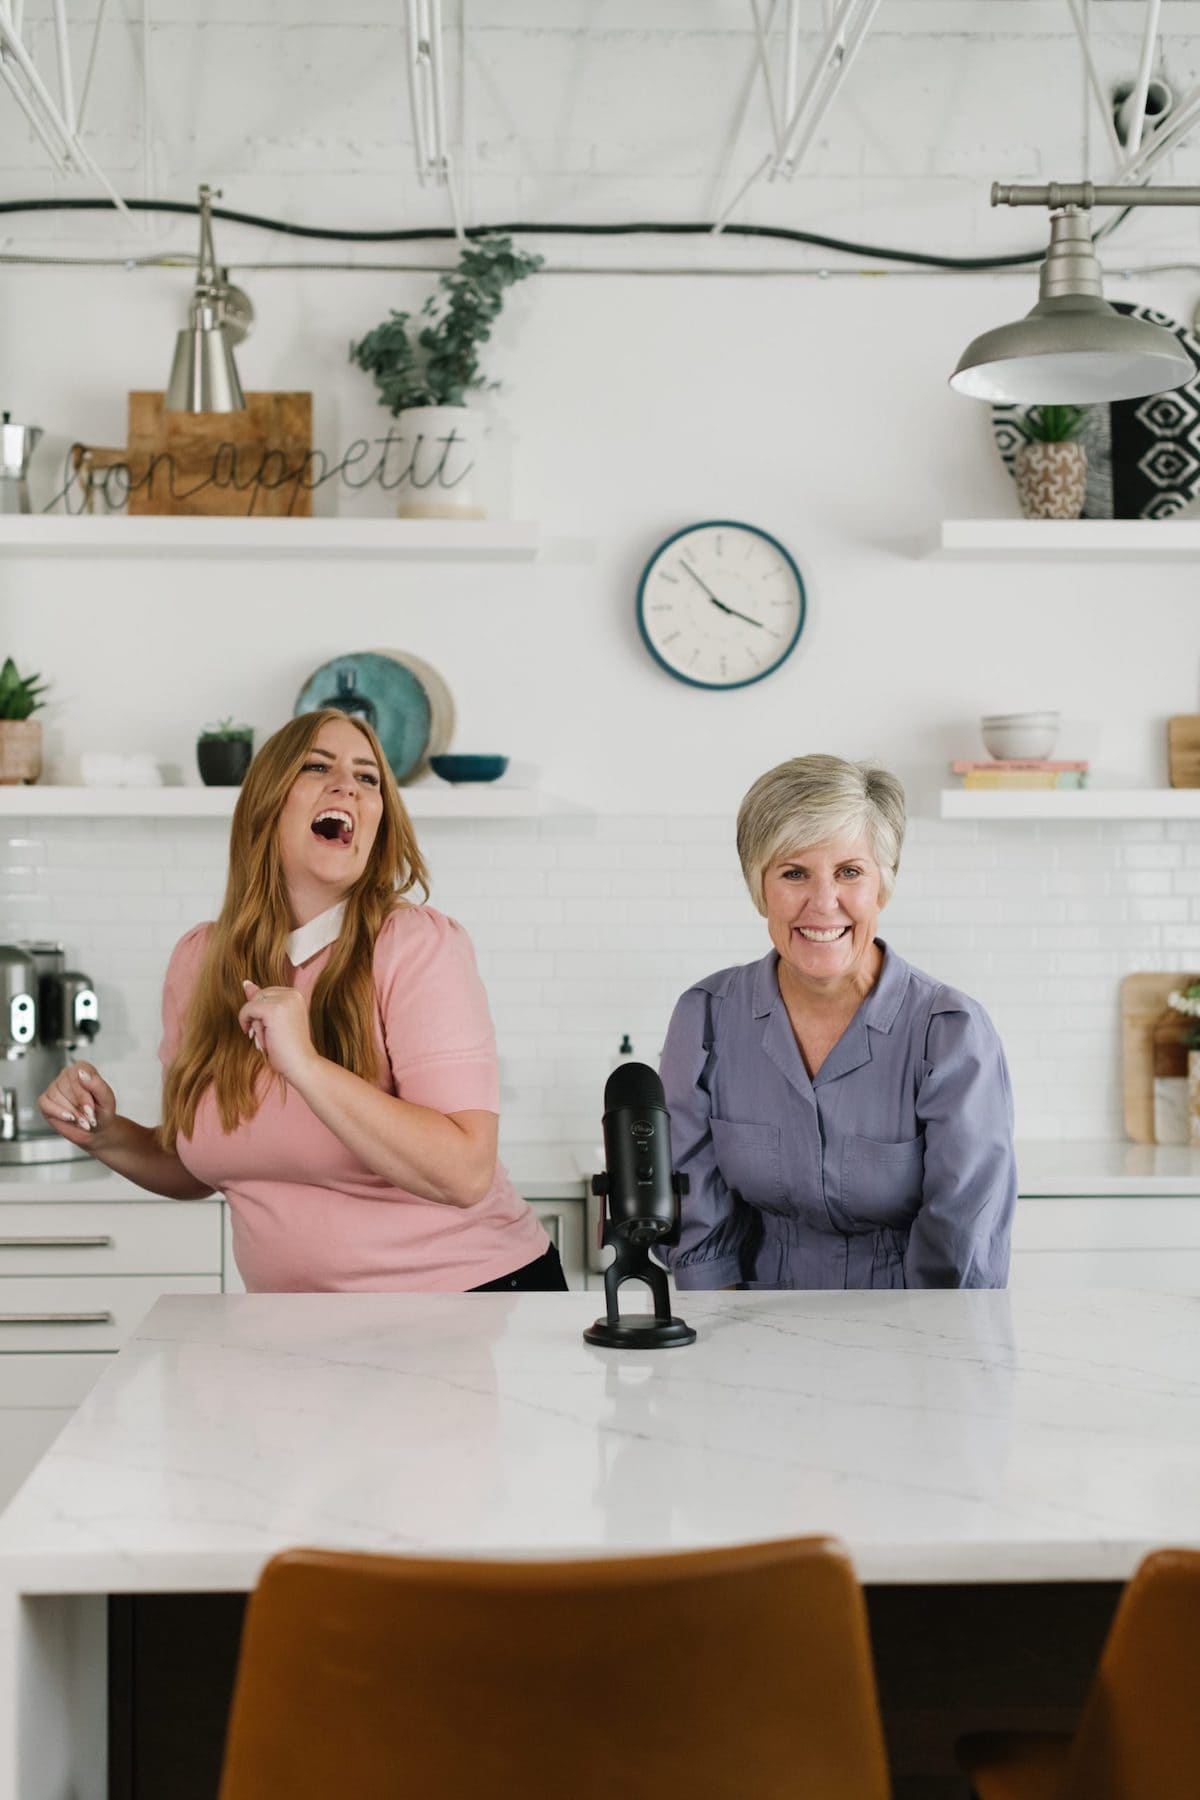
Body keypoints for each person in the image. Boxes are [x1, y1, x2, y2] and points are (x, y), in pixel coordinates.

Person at [37, 710, 565, 1294]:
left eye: (368, 779)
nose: (348, 785)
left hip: (468, 1304)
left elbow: (465, 1173)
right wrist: (105, 1134)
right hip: (296, 1327)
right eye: (318, 767)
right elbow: (199, 1163)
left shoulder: (412, 945)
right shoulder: (201, 961)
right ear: (267, 803)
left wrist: (307, 1066)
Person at [658, 754, 1016, 1291]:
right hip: (747, 1331)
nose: (823, 903)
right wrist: (729, 1348)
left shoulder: (949, 1032)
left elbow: (962, 1241)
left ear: (883, 885)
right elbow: (695, 1221)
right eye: (794, 873)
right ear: (760, 888)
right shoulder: (706, 1017)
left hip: (912, 1339)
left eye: (849, 872)